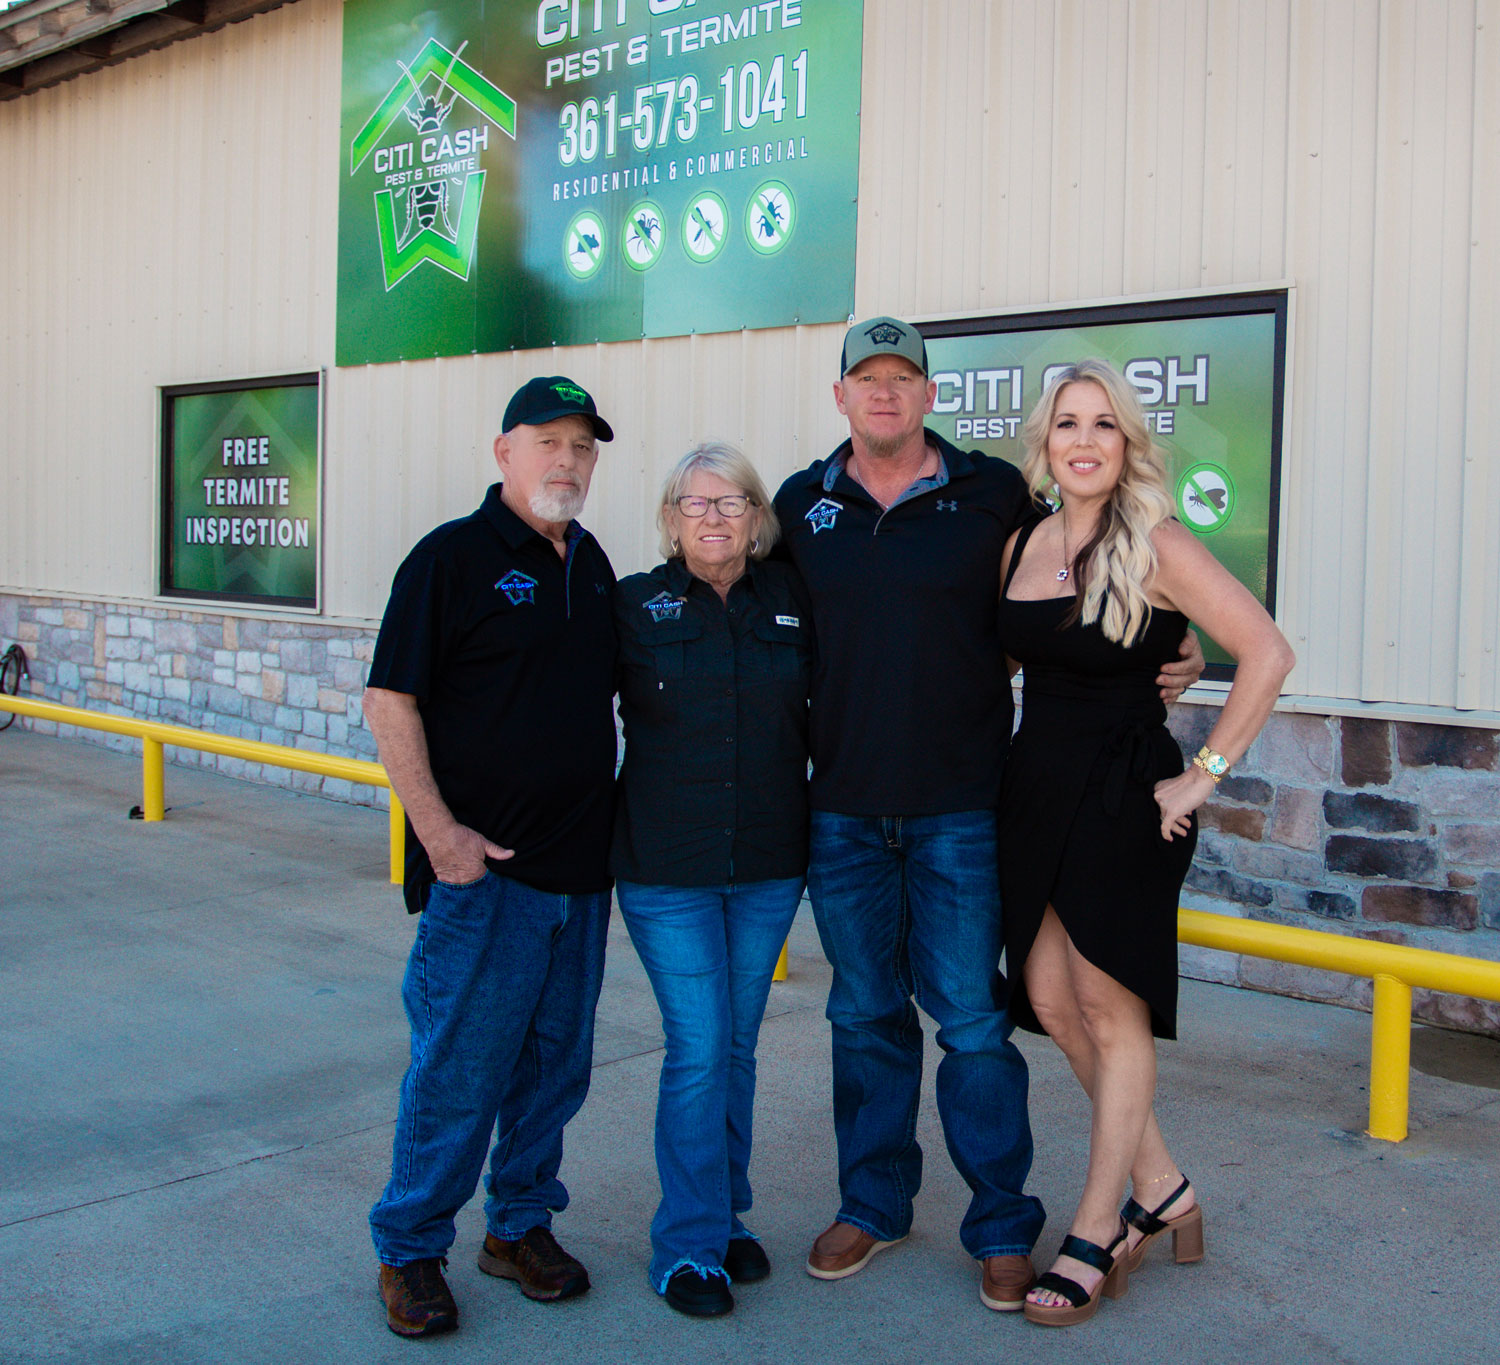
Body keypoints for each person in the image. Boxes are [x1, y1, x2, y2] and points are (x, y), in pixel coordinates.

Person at [771, 318, 1205, 1312]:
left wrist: (1180, 658)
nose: (884, 394)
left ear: (931, 395)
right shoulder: (801, 504)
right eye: (865, 379)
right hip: (841, 808)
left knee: (975, 1023)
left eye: (903, 378)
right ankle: (873, 1205)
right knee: (865, 1015)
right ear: (840, 395)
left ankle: (1004, 1224)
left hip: (967, 806)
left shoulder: (993, 496)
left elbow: (1090, 603)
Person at [996, 359, 1295, 1327]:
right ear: (1044, 443)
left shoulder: (1157, 541)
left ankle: (1101, 1227)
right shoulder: (1023, 543)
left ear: (1127, 444)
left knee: (1105, 1003)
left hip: (1126, 792)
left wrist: (1201, 771)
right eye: (1068, 424)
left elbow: (1268, 652)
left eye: (1104, 425)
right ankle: (1164, 1187)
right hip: (1036, 788)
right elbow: (1016, 654)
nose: (1084, 441)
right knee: (1046, 995)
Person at [363, 376, 619, 1339]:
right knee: (460, 1069)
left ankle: (518, 1226)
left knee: (556, 1071)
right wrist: (441, 837)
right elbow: (391, 701)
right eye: (547, 441)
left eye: (583, 446)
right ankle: (411, 1246)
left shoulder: (589, 563)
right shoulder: (450, 560)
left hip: (579, 878)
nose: (567, 460)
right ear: (503, 452)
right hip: (488, 880)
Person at [612, 443, 814, 1318]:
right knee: (698, 1047)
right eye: (694, 505)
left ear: (758, 516)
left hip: (769, 860)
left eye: (730, 502)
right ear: (670, 519)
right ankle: (687, 1248)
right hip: (668, 866)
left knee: (735, 1045)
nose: (713, 518)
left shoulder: (795, 601)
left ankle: (726, 1215)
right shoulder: (630, 605)